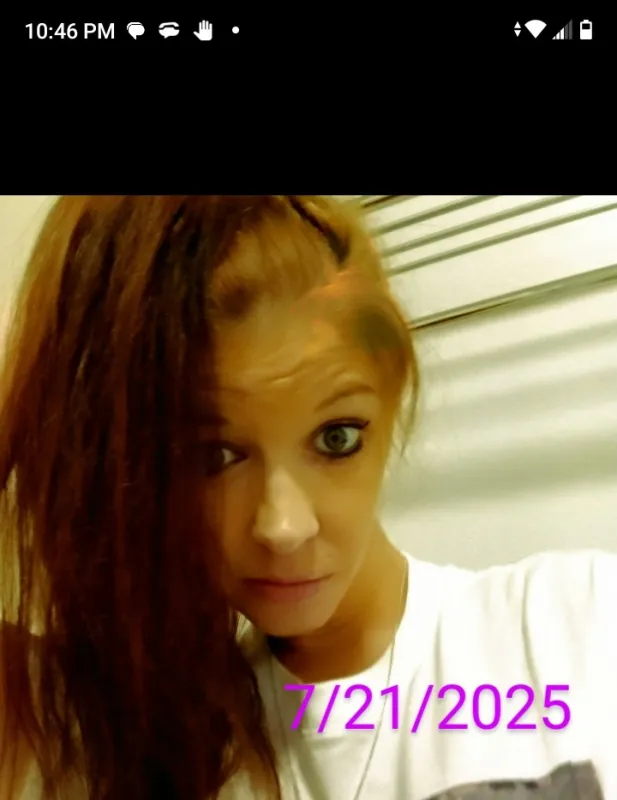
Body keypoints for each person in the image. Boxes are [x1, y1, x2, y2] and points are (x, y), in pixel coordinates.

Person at [0, 196, 615, 800]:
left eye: (336, 438)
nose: (284, 526)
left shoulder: (580, 624)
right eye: (213, 457)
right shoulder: (151, 745)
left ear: (391, 399)